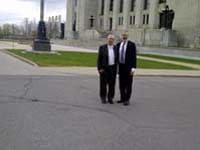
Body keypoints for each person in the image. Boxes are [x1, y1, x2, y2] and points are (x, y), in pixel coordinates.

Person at [117, 31, 137, 106]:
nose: (124, 36)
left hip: (128, 67)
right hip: (121, 67)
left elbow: (133, 57)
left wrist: (133, 68)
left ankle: (127, 99)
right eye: (123, 34)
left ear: (128, 35)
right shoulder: (119, 44)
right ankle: (122, 98)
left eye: (125, 34)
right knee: (121, 84)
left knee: (128, 84)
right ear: (121, 35)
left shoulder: (131, 45)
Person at [97, 34, 117, 104]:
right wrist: (100, 68)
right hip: (104, 68)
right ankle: (103, 97)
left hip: (112, 68)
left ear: (113, 40)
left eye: (112, 39)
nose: (110, 40)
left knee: (112, 84)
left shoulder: (115, 48)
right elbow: (99, 59)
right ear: (107, 39)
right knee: (103, 84)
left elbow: (117, 59)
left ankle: (110, 98)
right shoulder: (102, 48)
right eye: (109, 38)